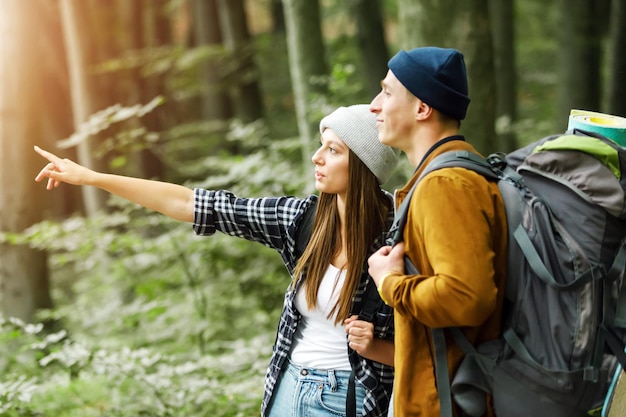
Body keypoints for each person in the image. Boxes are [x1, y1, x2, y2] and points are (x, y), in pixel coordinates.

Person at [34, 104, 400, 417]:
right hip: (289, 387)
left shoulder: (399, 236)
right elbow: (192, 204)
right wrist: (91, 177)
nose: (316, 157)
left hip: (353, 398)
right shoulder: (303, 221)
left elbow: (439, 347)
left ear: (364, 165)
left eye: (333, 150)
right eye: (321, 145)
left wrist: (379, 348)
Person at [366, 47, 508, 417]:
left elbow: (467, 296)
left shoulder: (445, 185)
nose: (374, 105)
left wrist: (389, 284)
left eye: (386, 92)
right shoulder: (450, 176)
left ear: (422, 108)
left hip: (447, 404)